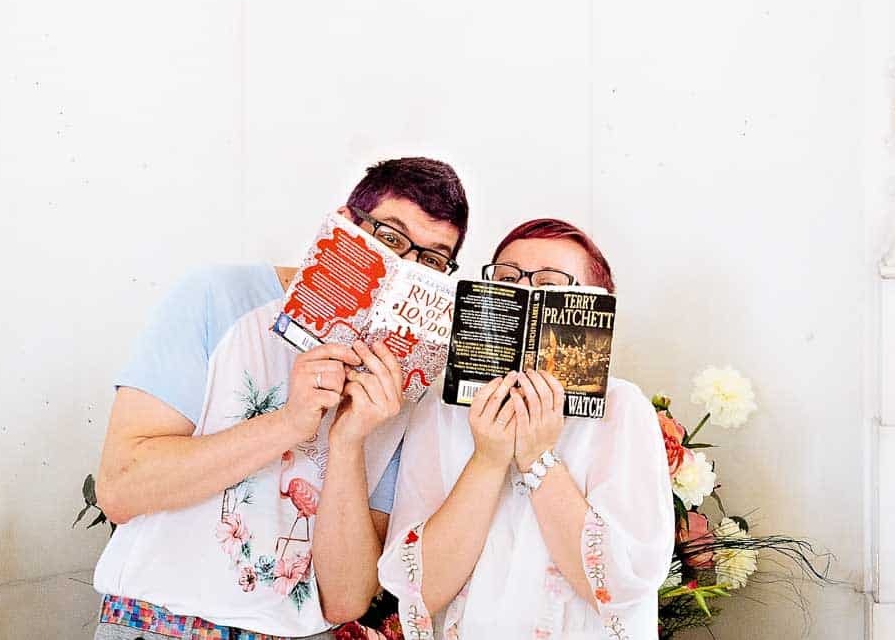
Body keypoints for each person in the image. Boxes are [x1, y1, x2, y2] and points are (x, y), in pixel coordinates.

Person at [92, 157, 470, 638]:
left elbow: (345, 600)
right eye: (390, 237)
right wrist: (289, 422)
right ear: (346, 223)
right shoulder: (216, 298)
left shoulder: (404, 384)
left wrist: (349, 440)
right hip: (159, 624)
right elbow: (120, 490)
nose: (404, 267)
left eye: (432, 260)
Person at [376, 219, 672, 638]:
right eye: (508, 280)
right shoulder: (441, 407)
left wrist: (538, 458)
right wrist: (488, 458)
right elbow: (419, 588)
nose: (526, 293)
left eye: (550, 283)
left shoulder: (623, 409)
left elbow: (622, 585)